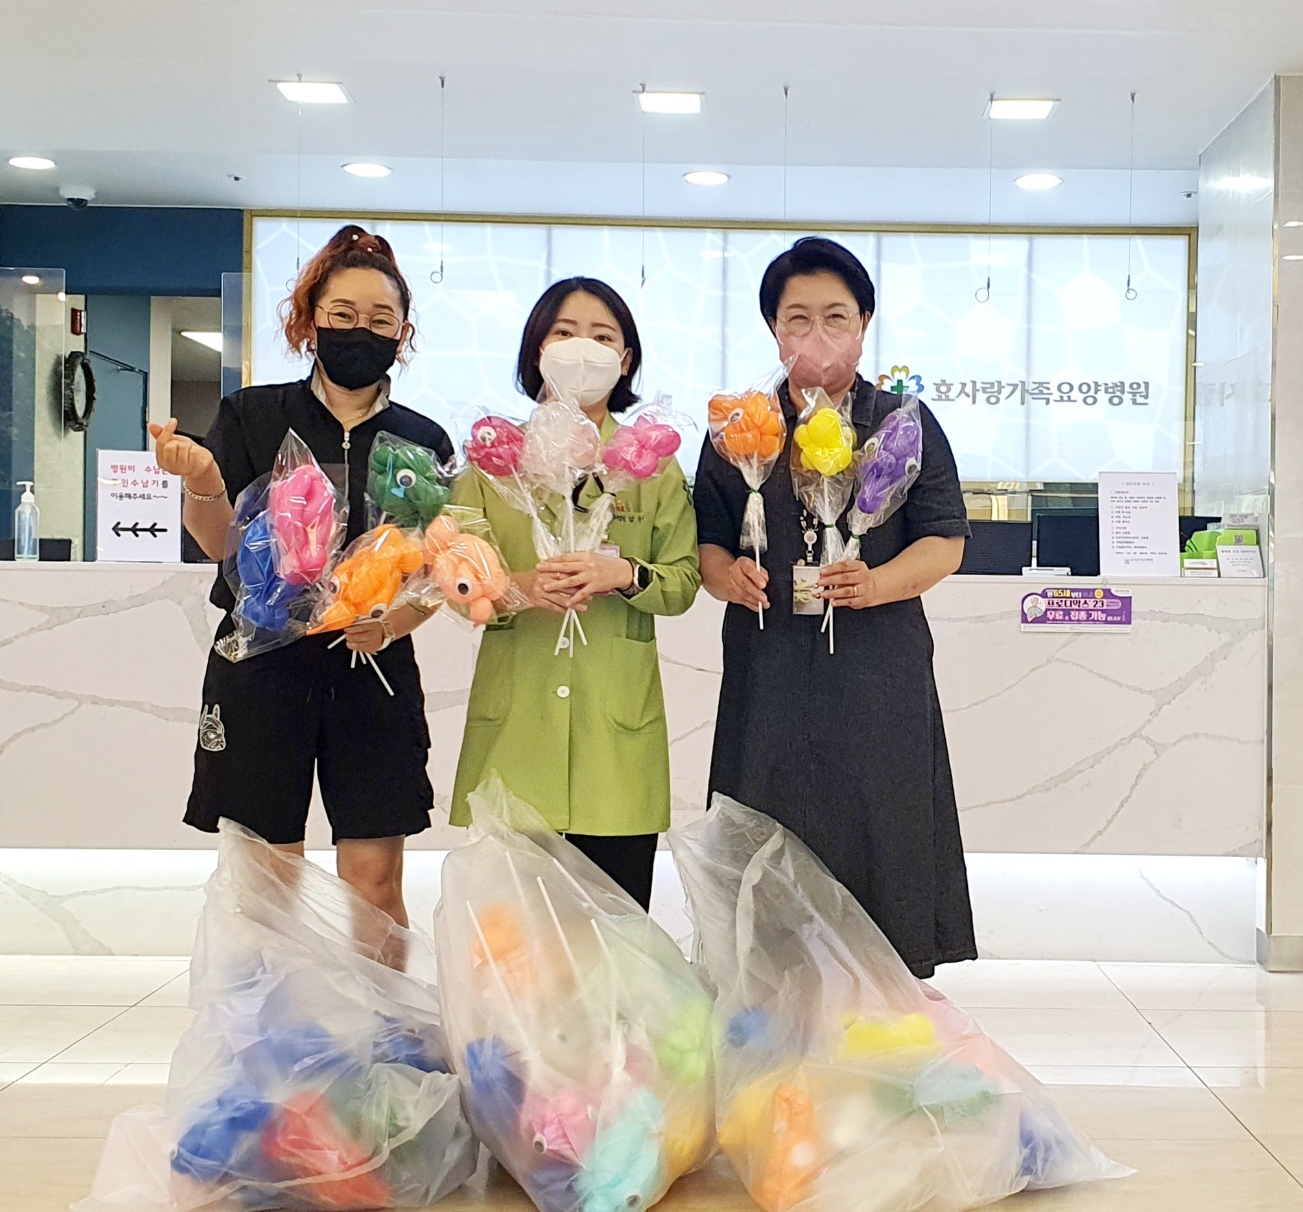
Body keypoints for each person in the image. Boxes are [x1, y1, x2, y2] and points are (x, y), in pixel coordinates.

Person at [151, 224, 451, 934]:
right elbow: (220, 544)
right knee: (268, 881)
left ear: (402, 335)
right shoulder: (252, 416)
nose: (360, 331)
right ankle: (272, 1011)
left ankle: (379, 1008)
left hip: (371, 671)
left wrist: (393, 623)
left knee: (374, 881)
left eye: (380, 320)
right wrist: (202, 479)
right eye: (342, 314)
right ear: (310, 319)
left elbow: (434, 571)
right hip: (262, 667)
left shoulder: (423, 441)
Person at [692, 237, 975, 978]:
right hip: (769, 669)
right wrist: (727, 577)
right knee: (765, 829)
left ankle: (884, 1012)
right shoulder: (739, 429)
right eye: (797, 318)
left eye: (835, 316)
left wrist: (876, 583)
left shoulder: (904, 422)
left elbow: (945, 541)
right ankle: (766, 1016)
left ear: (864, 322)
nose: (816, 333)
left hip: (877, 672)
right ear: (772, 328)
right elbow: (707, 544)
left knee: (880, 832)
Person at [450, 278, 700, 910]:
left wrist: (626, 575)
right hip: (517, 736)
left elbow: (683, 581)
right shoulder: (494, 460)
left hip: (614, 745)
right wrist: (517, 588)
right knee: (512, 940)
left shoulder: (651, 462)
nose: (582, 348)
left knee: (617, 935)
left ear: (626, 360)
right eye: (564, 333)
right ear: (537, 350)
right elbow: (454, 578)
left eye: (603, 337)